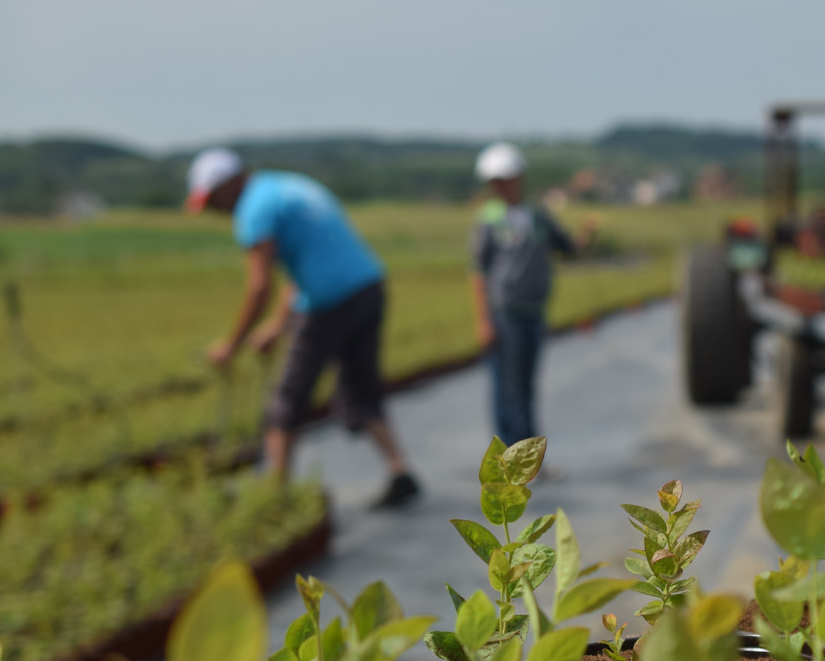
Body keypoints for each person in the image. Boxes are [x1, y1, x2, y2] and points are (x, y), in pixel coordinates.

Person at [187, 148, 421, 508]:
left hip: (329, 303)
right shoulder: (286, 187)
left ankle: (274, 496)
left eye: (214, 199)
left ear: (229, 184)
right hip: (367, 288)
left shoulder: (254, 209)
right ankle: (399, 469)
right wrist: (276, 326)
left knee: (287, 398)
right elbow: (302, 267)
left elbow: (261, 284)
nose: (216, 210)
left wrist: (230, 345)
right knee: (361, 388)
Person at [468, 142, 594, 448]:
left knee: (525, 386)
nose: (502, 187)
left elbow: (568, 247)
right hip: (505, 312)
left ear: (519, 179)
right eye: (496, 182)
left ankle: (524, 455)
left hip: (533, 310)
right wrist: (484, 321)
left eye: (507, 179)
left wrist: (588, 234)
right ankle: (511, 454)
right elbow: (478, 271)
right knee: (508, 386)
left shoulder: (537, 216)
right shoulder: (489, 219)